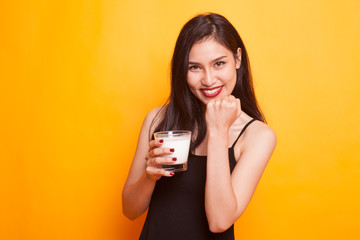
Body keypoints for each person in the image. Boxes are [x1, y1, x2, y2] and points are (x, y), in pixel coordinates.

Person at [122, 13, 277, 240]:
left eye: (219, 64)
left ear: (237, 59)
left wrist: (217, 130)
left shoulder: (257, 136)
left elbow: (219, 221)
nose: (208, 79)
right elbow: (129, 210)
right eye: (194, 67)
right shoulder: (157, 119)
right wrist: (149, 177)